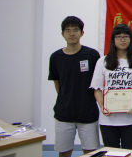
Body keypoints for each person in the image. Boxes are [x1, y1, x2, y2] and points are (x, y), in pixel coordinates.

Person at [48, 16, 100, 157]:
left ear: (82, 33)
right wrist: (67, 99)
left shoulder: (92, 55)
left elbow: (98, 83)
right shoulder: (55, 57)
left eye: (75, 30)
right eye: (68, 30)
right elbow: (57, 83)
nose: (72, 34)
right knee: (64, 153)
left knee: (91, 153)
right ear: (62, 34)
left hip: (88, 112)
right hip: (64, 114)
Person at [90, 24, 132, 149]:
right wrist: (102, 106)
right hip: (108, 119)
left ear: (131, 39)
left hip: (131, 118)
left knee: (129, 151)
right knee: (111, 152)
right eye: (119, 37)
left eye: (126, 36)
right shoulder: (103, 61)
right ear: (113, 39)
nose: (122, 40)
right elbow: (97, 88)